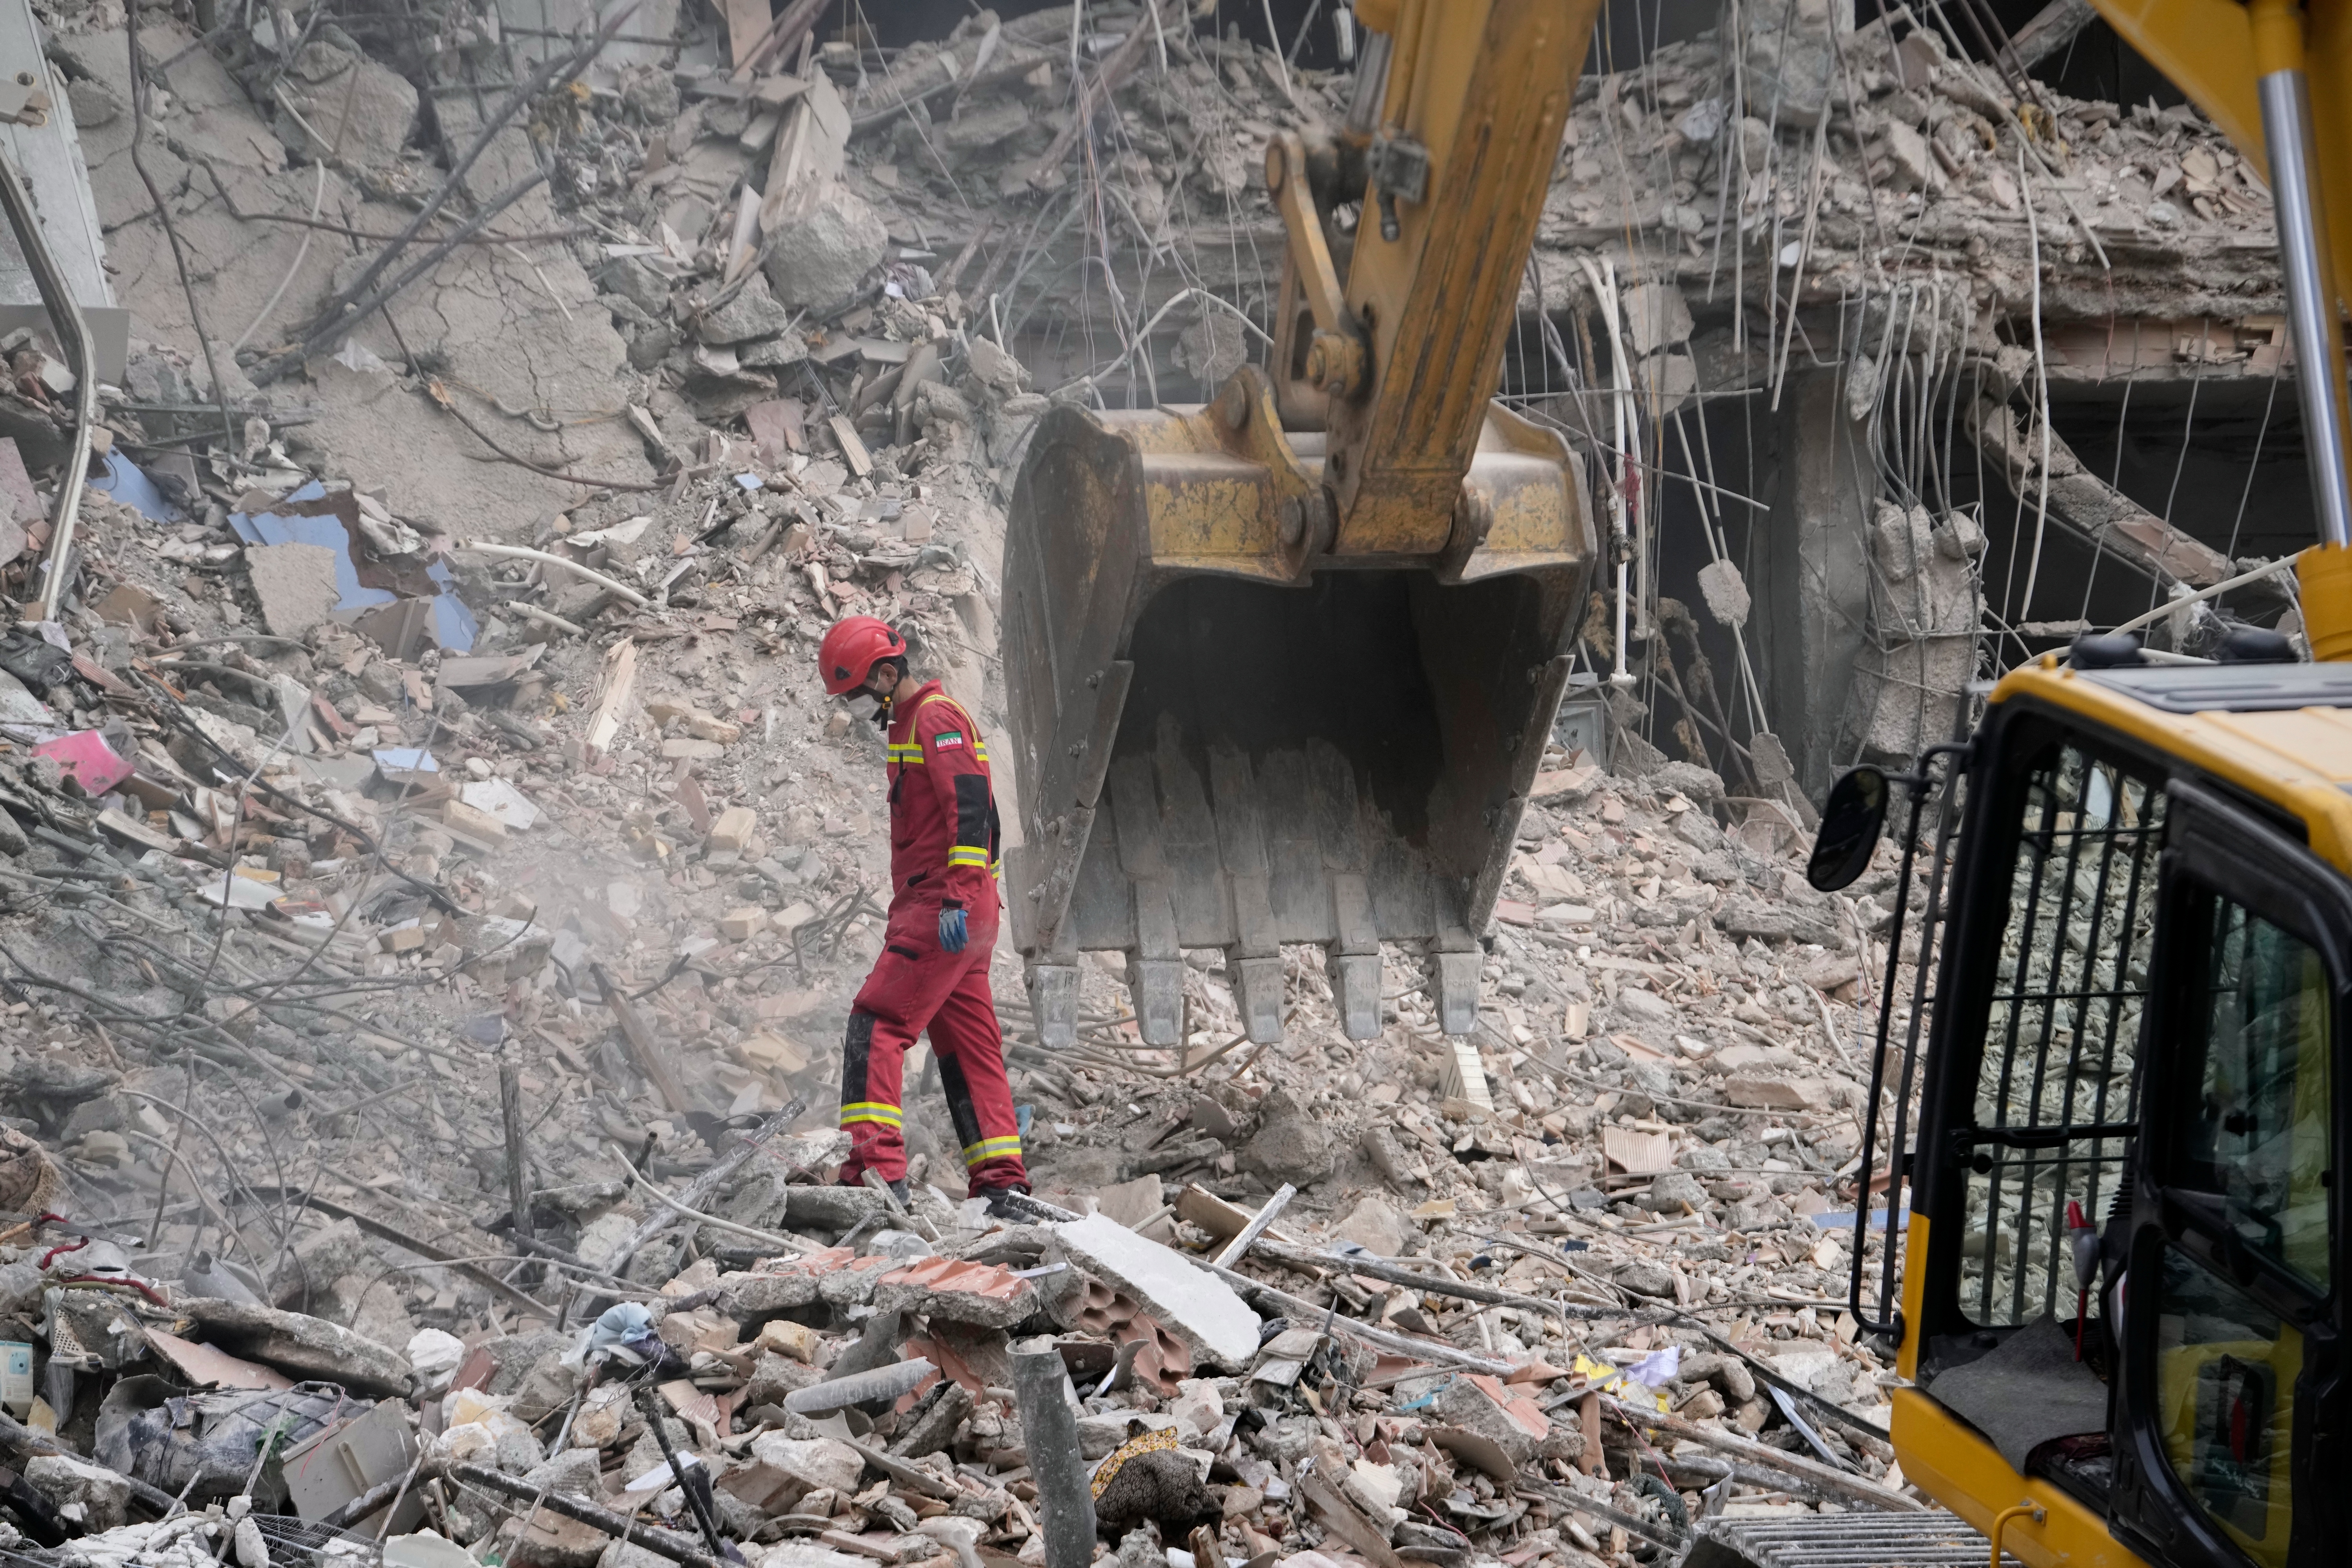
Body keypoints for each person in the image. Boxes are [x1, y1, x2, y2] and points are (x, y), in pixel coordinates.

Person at [815, 615, 1031, 1211]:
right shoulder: (909, 724)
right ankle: (1003, 1184)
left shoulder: (934, 720)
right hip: (951, 906)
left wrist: (958, 895)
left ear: (887, 675)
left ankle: (876, 1171)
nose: (857, 707)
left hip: (945, 905)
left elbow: (970, 808)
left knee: (877, 1023)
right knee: (967, 1046)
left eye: (858, 694)